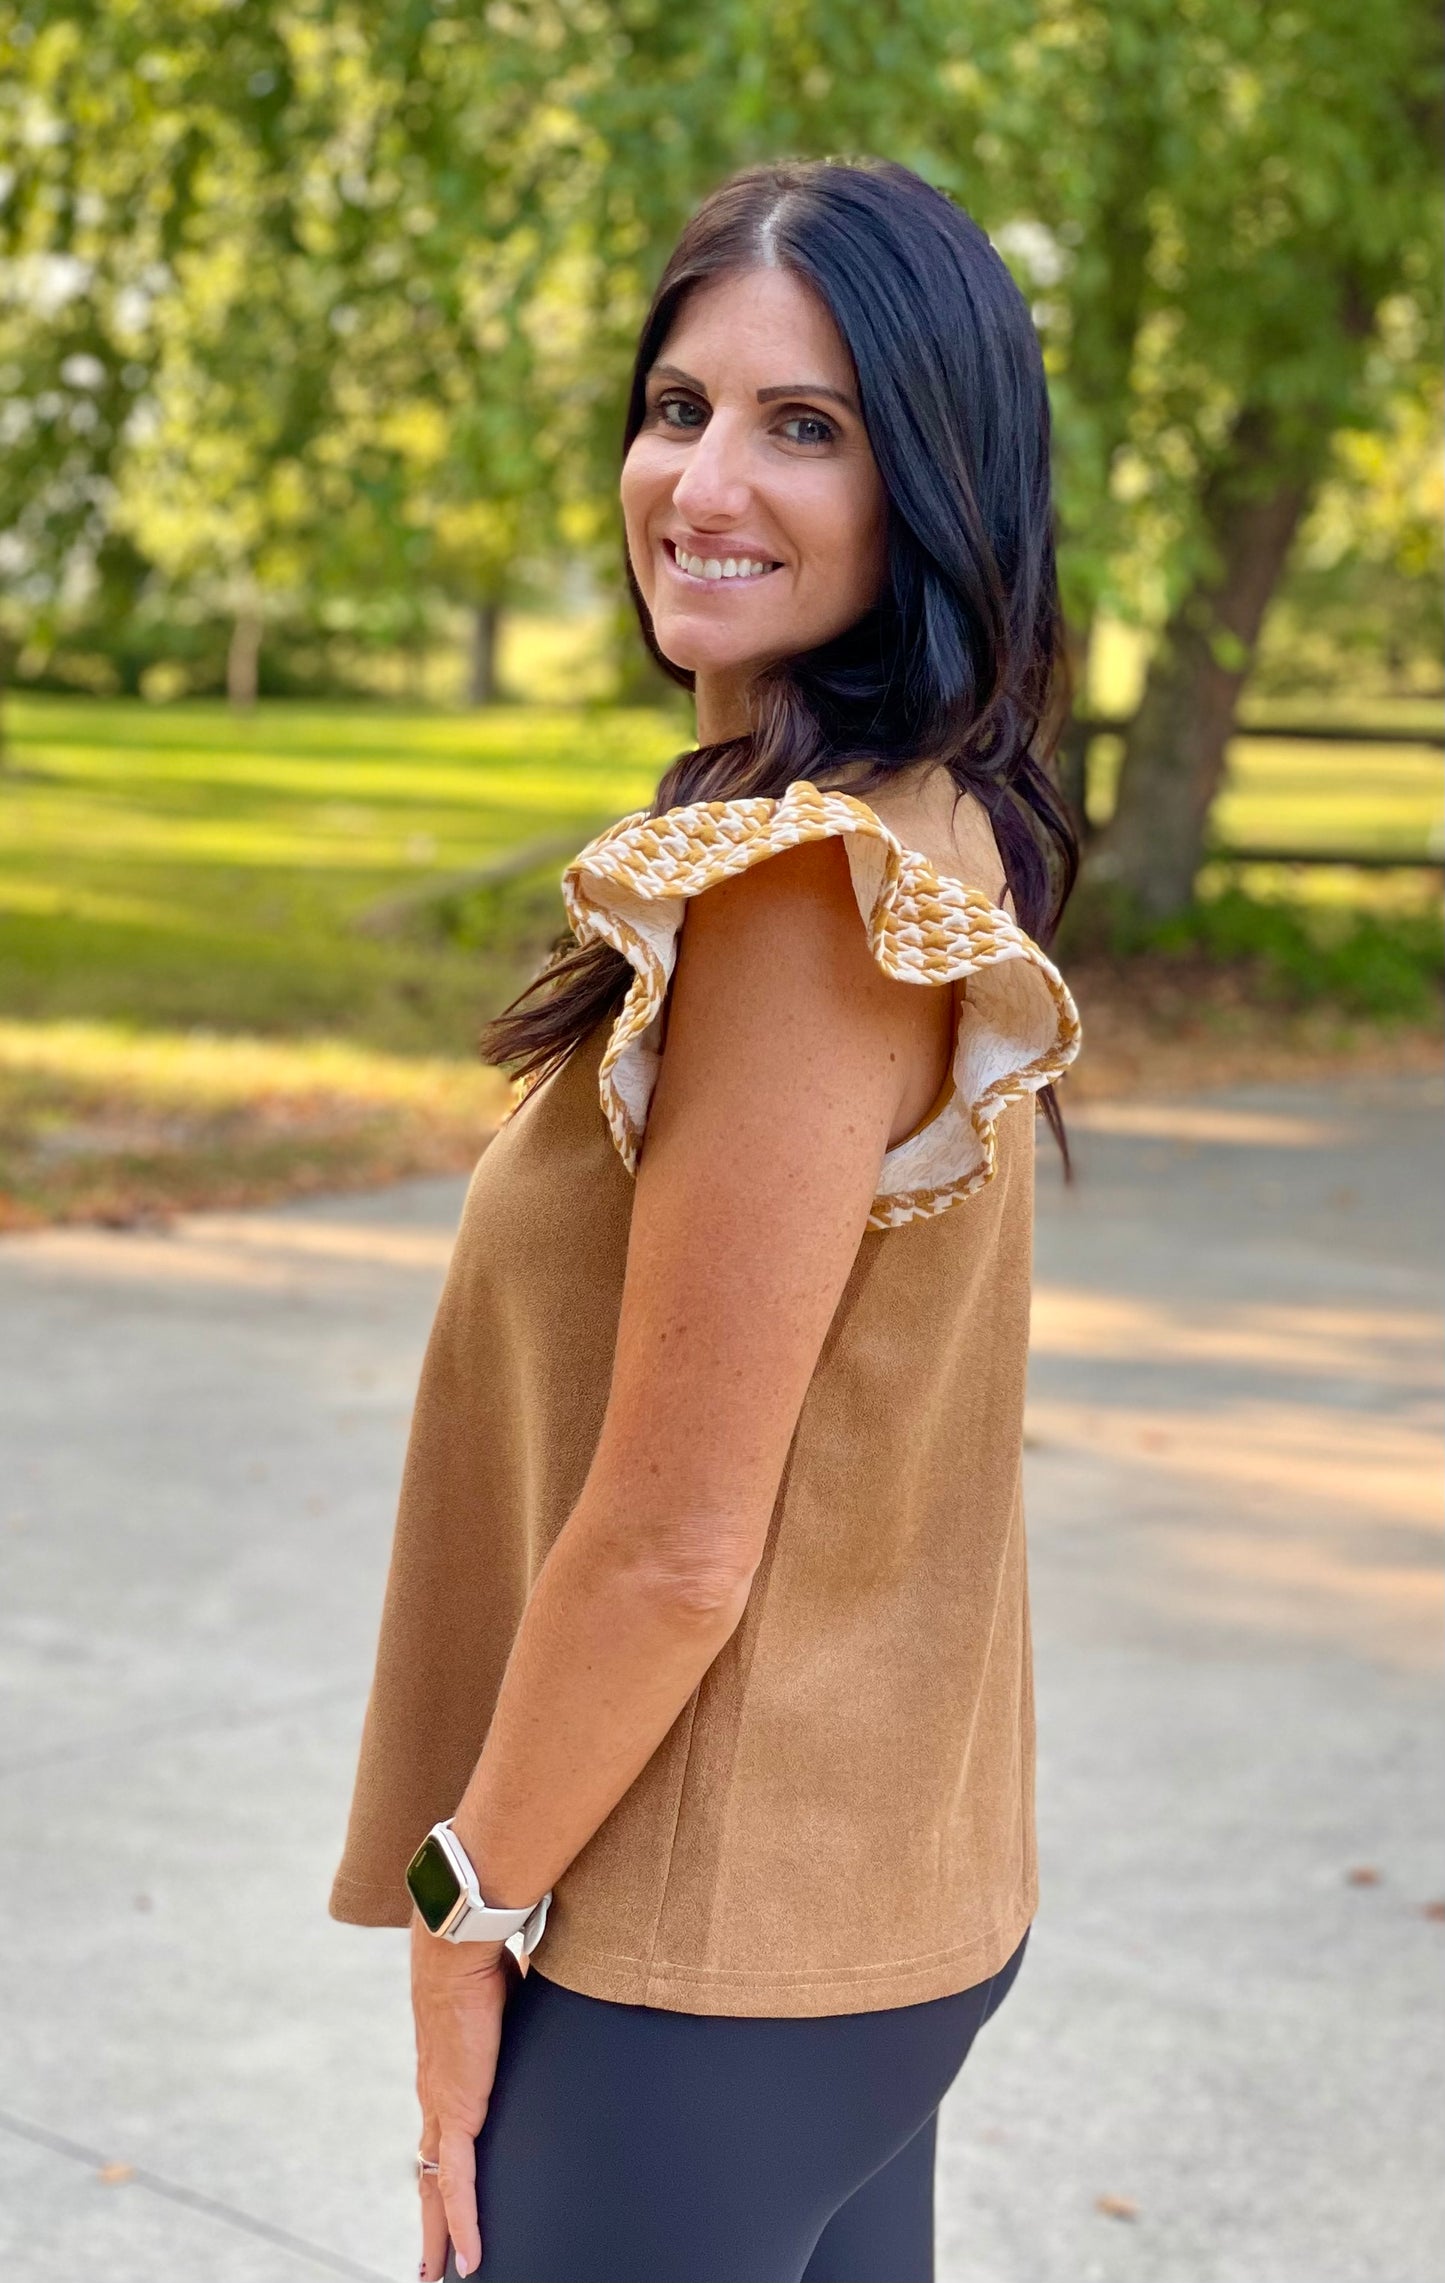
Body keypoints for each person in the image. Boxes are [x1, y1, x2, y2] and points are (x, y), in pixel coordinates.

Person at [329, 155, 1081, 2283]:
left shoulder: (803, 892)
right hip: (862, 1913)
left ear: (928, 482)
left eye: (803, 425)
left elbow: (675, 1541)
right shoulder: (909, 834)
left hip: (698, 1945)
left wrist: (462, 1910)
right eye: (680, 406)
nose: (705, 480)